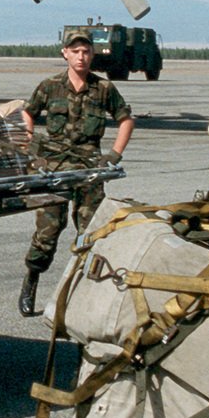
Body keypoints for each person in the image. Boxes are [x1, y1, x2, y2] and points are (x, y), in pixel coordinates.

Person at [18, 30, 134, 317]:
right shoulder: (49, 86)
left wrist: (114, 154)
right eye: (75, 51)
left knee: (90, 234)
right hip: (53, 168)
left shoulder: (103, 89)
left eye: (85, 51)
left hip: (89, 171)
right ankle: (31, 280)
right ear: (65, 54)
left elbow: (126, 119)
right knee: (48, 231)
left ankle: (82, 292)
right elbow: (28, 111)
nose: (81, 56)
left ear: (92, 55)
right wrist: (30, 142)